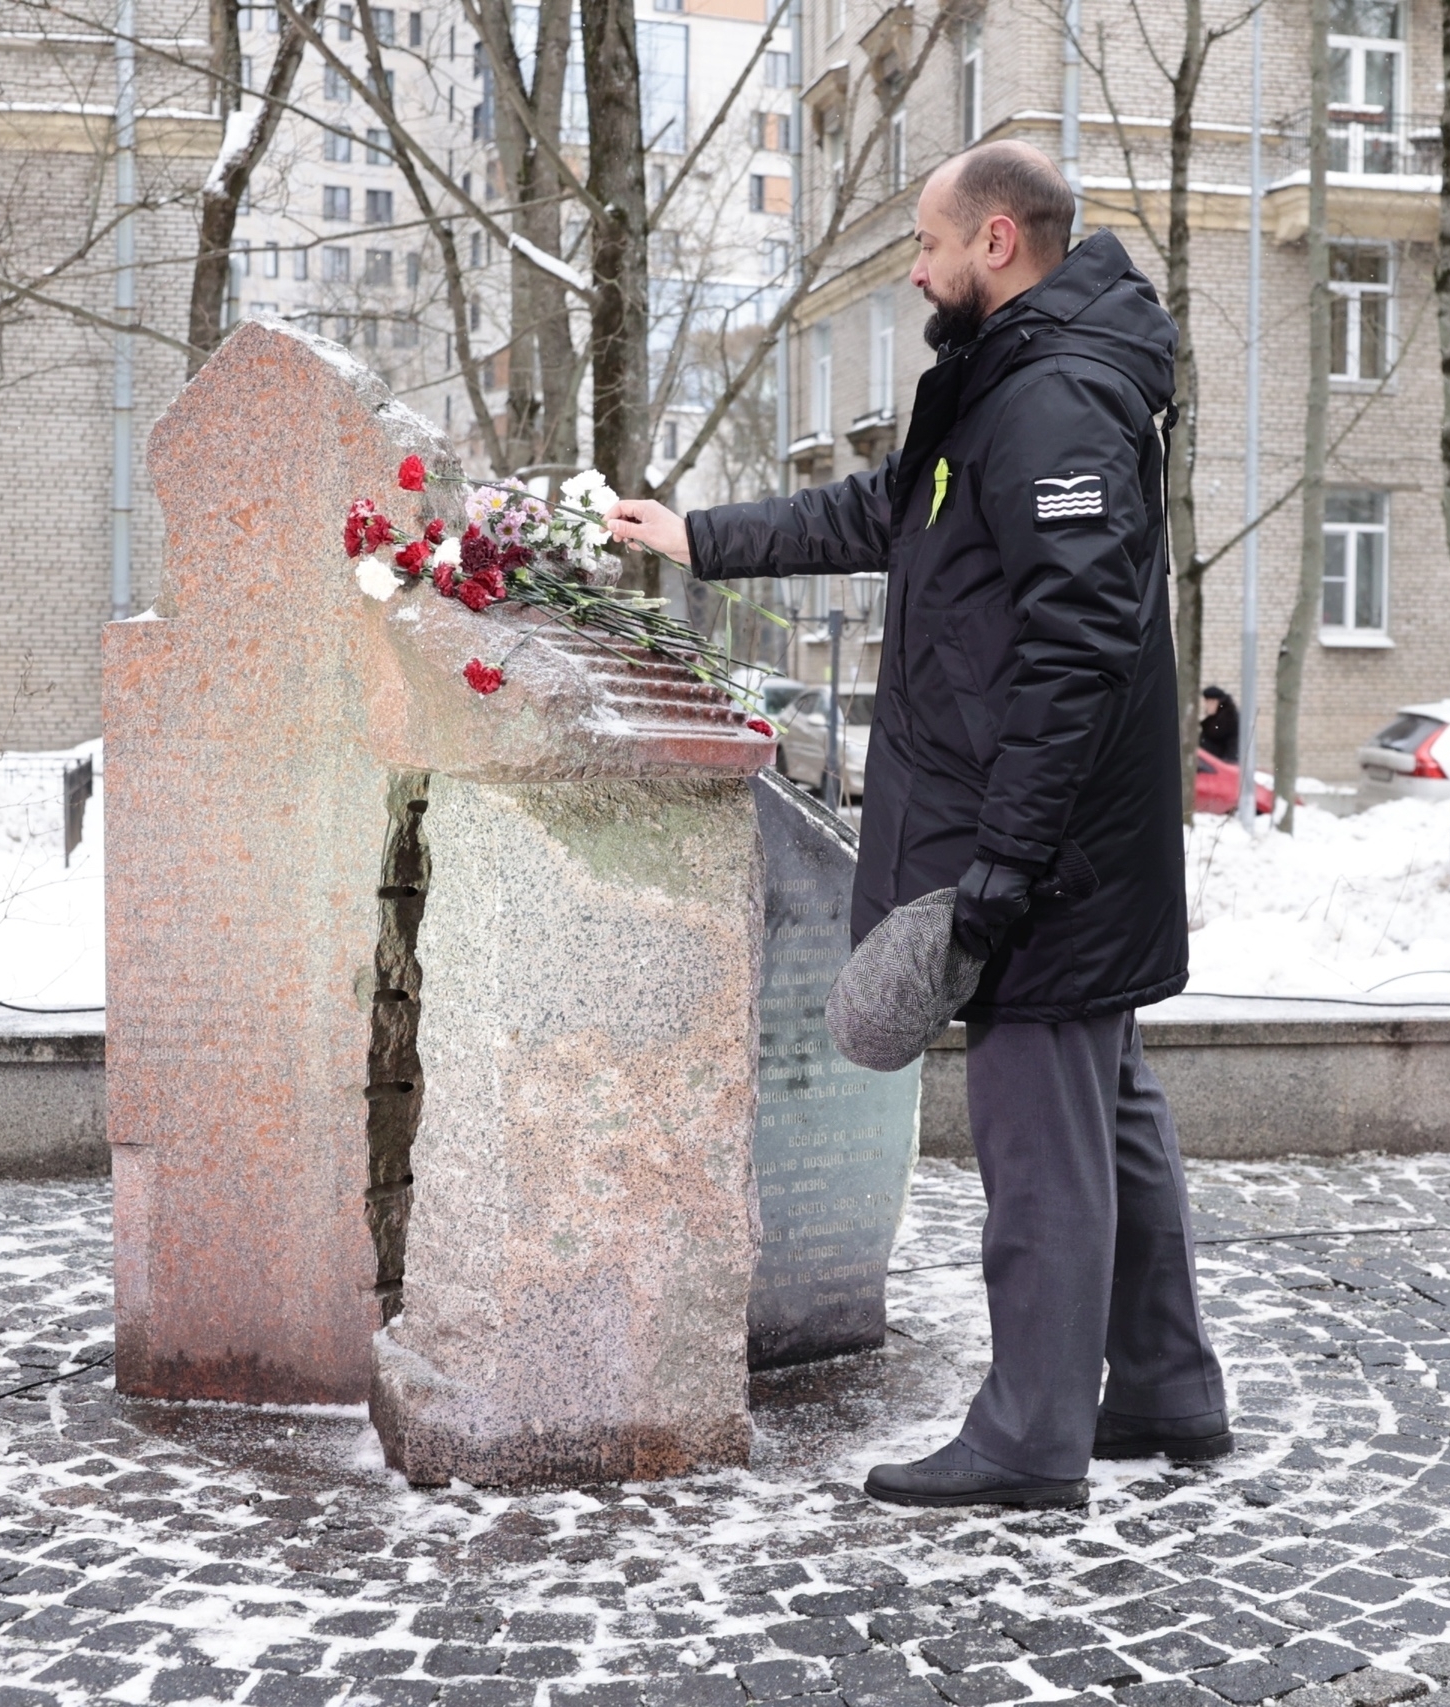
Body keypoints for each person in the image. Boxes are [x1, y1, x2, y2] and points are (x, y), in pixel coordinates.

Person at [605, 140, 1227, 1509]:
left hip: (1050, 849)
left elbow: (1079, 644)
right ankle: (1168, 1381)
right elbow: (890, 510)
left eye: (931, 241)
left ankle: (1029, 1437)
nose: (917, 266)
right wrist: (696, 537)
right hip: (1074, 842)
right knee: (1109, 1112)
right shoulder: (1011, 385)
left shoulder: (1054, 395)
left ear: (999, 242)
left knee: (1040, 1148)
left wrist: (1006, 865)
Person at [1199, 685, 1239, 763]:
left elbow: (1232, 748)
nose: (1208, 706)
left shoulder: (1229, 720)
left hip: (1220, 767)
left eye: (1211, 702)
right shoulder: (1213, 720)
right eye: (1207, 702)